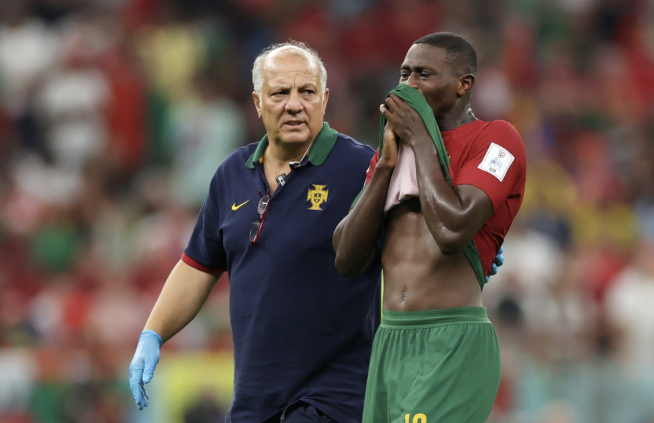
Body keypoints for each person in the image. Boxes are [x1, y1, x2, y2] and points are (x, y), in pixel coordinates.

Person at [128, 41, 383, 423]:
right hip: (255, 400)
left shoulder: (362, 168)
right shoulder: (232, 173)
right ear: (258, 102)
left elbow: (411, 247)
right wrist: (152, 334)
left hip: (335, 400)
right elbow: (197, 265)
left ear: (325, 99)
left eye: (307, 92)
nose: (294, 104)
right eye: (280, 93)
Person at [333, 32, 527, 422]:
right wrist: (385, 167)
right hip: (389, 340)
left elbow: (452, 232)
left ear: (463, 84)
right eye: (404, 73)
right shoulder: (393, 152)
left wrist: (421, 138)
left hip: (451, 338)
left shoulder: (497, 139)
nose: (409, 85)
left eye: (423, 74)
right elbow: (347, 258)